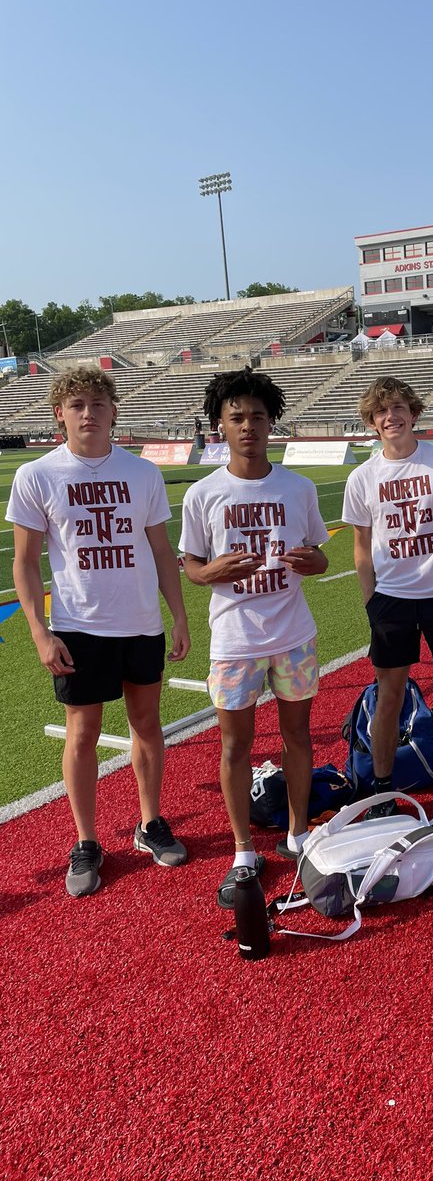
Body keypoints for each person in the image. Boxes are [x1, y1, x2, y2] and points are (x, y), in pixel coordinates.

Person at [7, 365, 190, 898]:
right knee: (83, 733)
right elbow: (25, 563)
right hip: (77, 625)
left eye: (97, 403)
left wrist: (178, 615)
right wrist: (40, 632)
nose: (88, 413)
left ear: (114, 411)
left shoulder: (141, 473)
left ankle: (149, 822)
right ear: (59, 413)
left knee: (147, 724)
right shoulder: (38, 475)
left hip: (140, 623)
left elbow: (161, 550)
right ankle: (87, 840)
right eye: (77, 404)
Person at [179, 368, 329, 908]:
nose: (248, 427)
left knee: (297, 737)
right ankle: (244, 849)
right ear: (219, 424)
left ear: (272, 423)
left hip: (293, 634)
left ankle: (298, 833)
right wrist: (211, 571)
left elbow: (320, 556)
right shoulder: (203, 493)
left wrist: (312, 562)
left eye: (258, 417)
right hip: (235, 639)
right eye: (236, 417)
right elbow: (191, 567)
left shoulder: (298, 486)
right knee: (235, 745)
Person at [341, 376, 433, 813]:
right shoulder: (363, 477)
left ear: (414, 413)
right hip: (392, 600)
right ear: (372, 422)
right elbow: (361, 546)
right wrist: (371, 600)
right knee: (389, 695)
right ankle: (382, 788)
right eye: (381, 411)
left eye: (398, 407)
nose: (390, 417)